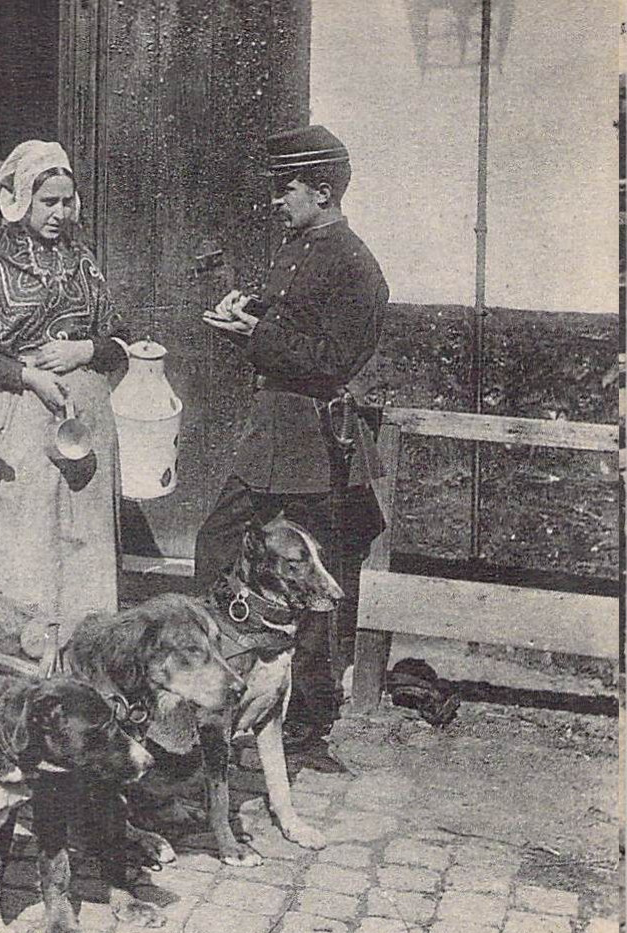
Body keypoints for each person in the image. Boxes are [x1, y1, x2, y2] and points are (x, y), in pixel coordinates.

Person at [194, 124, 388, 756]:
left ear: (323, 192)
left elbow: (333, 361)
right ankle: (218, 676)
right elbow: (286, 332)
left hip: (313, 441)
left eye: (287, 190)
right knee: (218, 541)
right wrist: (245, 320)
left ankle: (306, 720)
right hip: (271, 433)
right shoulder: (299, 246)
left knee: (314, 582)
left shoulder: (356, 266)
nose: (276, 202)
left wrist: (255, 334)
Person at [0, 140, 126, 629]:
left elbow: (118, 338)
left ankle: (86, 643)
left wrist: (84, 351)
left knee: (84, 535)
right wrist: (30, 376)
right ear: (21, 199)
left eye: (67, 202)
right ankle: (26, 646)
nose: (60, 213)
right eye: (49, 202)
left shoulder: (80, 259)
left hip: (82, 419)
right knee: (29, 536)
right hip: (17, 415)